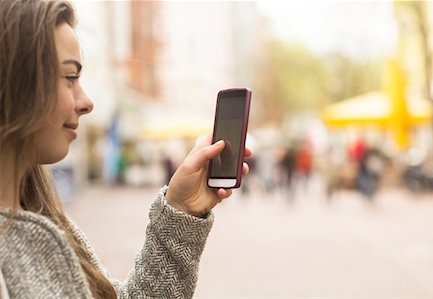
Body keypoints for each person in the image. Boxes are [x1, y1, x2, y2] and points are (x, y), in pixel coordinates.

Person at [0, 1, 251, 298]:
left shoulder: (45, 220)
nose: (87, 102)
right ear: (13, 82)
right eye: (69, 78)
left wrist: (180, 209)